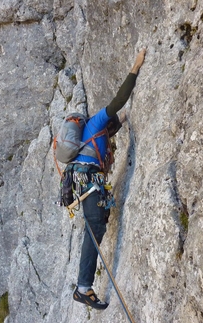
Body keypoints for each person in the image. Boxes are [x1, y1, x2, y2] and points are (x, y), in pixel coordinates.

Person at [71, 48, 146, 310]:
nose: (112, 131)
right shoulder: (96, 122)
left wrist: (124, 119)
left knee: (99, 224)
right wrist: (135, 67)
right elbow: (118, 102)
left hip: (89, 181)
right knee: (94, 229)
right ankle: (83, 288)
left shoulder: (97, 135)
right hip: (88, 180)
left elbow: (119, 119)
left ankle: (84, 284)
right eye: (112, 127)